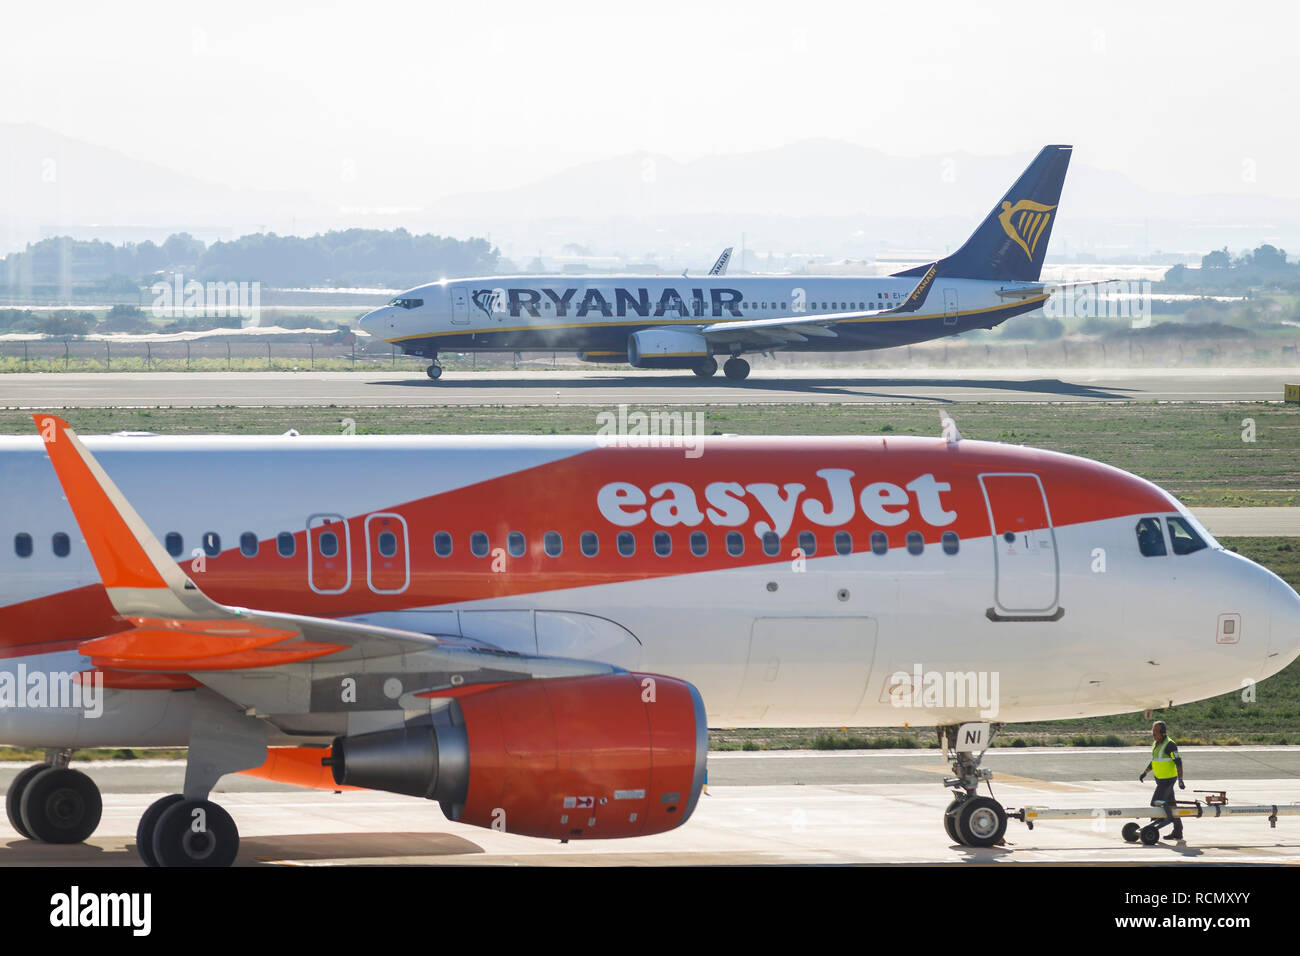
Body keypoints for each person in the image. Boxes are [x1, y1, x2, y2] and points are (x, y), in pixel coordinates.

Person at [1139, 720, 1185, 841]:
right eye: (1152, 731)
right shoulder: (1156, 744)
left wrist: (1180, 779)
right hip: (1160, 780)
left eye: (1155, 731)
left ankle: (1154, 827)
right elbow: (1155, 761)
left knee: (1155, 802)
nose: (1153, 733)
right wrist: (1145, 772)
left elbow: (1178, 762)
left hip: (1168, 780)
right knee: (1171, 805)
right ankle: (1178, 832)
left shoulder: (1170, 745)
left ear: (1163, 733)